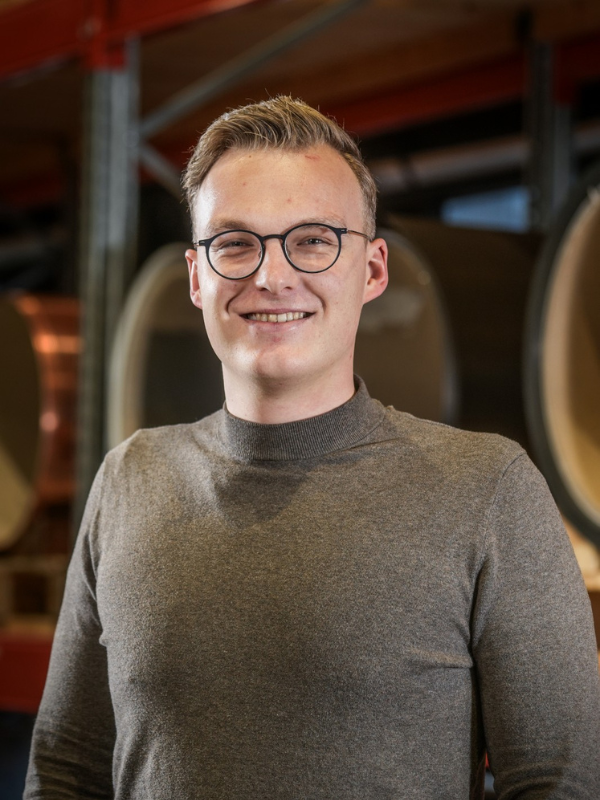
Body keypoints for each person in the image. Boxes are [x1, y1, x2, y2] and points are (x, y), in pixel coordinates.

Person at [25, 96, 600, 799]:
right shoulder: (129, 480)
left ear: (373, 269)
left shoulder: (488, 491)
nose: (271, 276)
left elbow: (559, 782)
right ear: (197, 276)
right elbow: (67, 768)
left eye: (313, 240)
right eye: (235, 243)